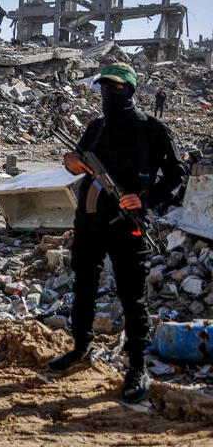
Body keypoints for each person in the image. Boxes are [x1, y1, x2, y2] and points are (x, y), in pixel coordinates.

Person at [48, 62, 185, 404]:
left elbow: (176, 174)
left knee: (132, 296)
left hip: (128, 225)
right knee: (84, 287)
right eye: (105, 87)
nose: (110, 93)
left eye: (117, 87)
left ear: (131, 90)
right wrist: (72, 162)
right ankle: (81, 348)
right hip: (90, 222)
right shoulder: (95, 127)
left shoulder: (152, 130)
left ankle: (137, 367)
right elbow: (73, 160)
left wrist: (144, 198)